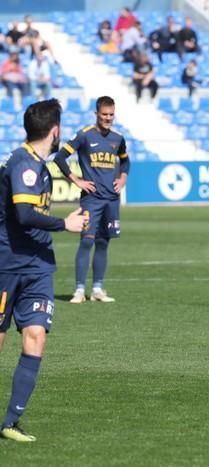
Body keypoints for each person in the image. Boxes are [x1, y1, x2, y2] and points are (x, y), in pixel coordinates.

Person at [0, 99, 88, 442]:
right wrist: (64, 224)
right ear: (55, 130)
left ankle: (9, 422)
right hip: (8, 264)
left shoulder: (39, 163)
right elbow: (23, 214)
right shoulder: (22, 162)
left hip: (37, 265)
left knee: (35, 336)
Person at [53, 96, 130, 304]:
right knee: (86, 241)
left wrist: (122, 179)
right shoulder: (84, 135)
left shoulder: (118, 138)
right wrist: (76, 180)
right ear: (96, 114)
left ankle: (97, 289)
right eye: (104, 114)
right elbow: (59, 158)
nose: (108, 118)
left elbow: (125, 161)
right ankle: (79, 290)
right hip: (92, 199)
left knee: (103, 243)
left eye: (111, 114)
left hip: (111, 200)